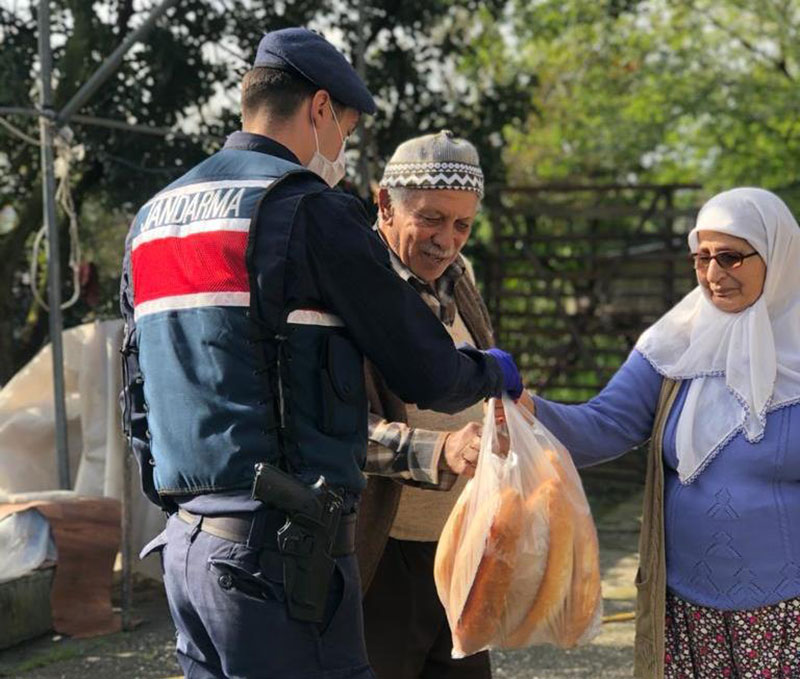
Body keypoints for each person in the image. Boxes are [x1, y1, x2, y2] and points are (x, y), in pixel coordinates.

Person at [119, 28, 523, 679]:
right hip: (282, 548)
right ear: (319, 109)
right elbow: (424, 369)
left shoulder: (155, 216)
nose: (341, 148)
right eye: (346, 128)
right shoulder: (308, 209)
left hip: (188, 545)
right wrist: (496, 370)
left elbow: (135, 395)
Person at [500, 188, 800, 678]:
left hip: (789, 613)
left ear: (778, 256)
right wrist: (524, 403)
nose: (713, 275)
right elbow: (604, 427)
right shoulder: (676, 344)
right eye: (701, 258)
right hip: (686, 609)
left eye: (730, 257)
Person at [356, 131, 495, 679]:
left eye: (462, 224)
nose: (447, 240)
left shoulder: (460, 278)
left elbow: (481, 376)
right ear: (385, 203)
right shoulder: (355, 288)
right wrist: (442, 449)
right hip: (381, 552)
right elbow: (335, 428)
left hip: (459, 545)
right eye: (431, 219)